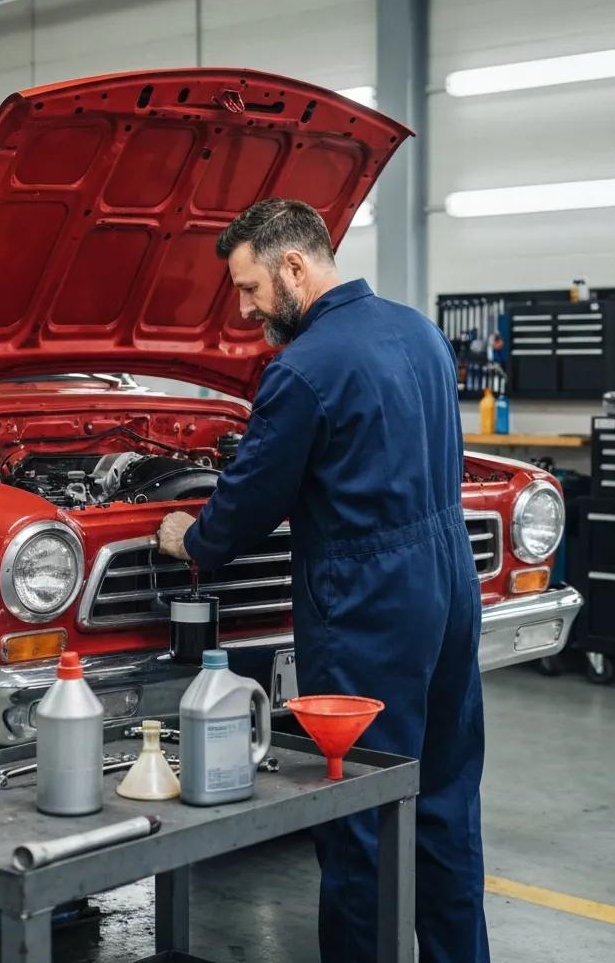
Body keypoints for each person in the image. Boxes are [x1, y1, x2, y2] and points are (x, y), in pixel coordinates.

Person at [157, 198, 490, 963]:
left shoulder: (303, 369)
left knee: (359, 813)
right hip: (448, 586)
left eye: (249, 289)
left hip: (368, 604)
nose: (244, 310)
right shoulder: (420, 332)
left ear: (295, 266)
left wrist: (192, 539)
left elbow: (248, 505)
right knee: (443, 800)